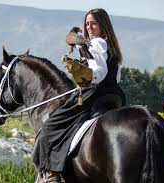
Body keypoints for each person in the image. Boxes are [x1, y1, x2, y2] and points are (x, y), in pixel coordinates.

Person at [33, 8, 125, 183]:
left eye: (94, 23)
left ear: (103, 25)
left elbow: (99, 73)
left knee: (51, 126)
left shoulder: (95, 43)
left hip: (94, 93)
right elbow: (116, 76)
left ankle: (52, 174)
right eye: (87, 23)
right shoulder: (110, 45)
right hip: (114, 95)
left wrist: (85, 75)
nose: (89, 27)